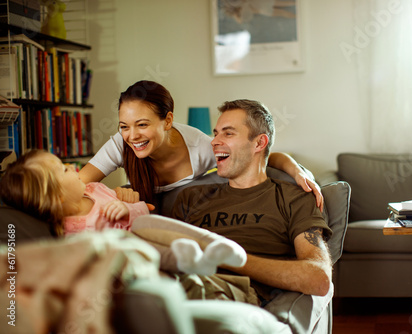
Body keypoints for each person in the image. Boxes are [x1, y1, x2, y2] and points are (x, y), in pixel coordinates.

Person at [170, 99, 332, 303]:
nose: (214, 141)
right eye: (216, 132)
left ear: (259, 143)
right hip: (173, 283)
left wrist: (230, 258)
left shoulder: (292, 197)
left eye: (228, 133)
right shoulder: (191, 197)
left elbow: (319, 277)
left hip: (227, 292)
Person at [78, 80, 323, 209]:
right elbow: (78, 185)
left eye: (142, 125)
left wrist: (297, 171)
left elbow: (258, 155)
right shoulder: (120, 144)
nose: (132, 135)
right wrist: (112, 196)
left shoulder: (200, 147)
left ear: (168, 120)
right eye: (124, 126)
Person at [0, 150, 247, 276]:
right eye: (62, 170)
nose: (71, 166)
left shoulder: (95, 189)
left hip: (147, 229)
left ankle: (217, 245)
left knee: (146, 224)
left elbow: (144, 212)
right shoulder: (71, 232)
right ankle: (189, 262)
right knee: (130, 240)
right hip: (137, 256)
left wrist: (127, 209)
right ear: (56, 197)